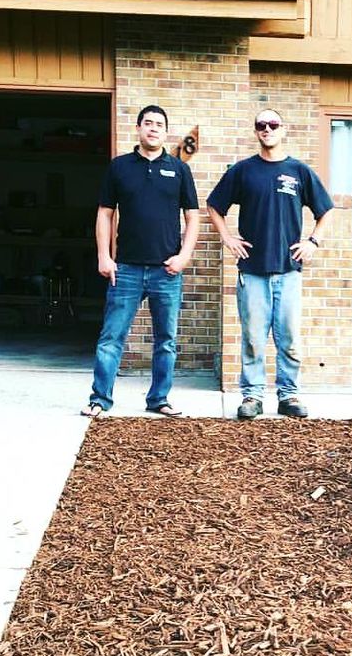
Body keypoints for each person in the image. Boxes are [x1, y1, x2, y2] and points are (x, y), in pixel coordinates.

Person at [207, 109, 333, 420]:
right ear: (256, 131)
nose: (267, 129)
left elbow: (326, 211)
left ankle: (289, 395)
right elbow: (214, 205)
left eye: (273, 124)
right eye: (261, 125)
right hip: (252, 272)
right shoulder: (243, 171)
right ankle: (252, 396)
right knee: (253, 339)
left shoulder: (299, 172)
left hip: (289, 271)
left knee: (289, 339)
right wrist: (228, 238)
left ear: (283, 130)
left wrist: (312, 242)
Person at [82, 104, 200, 418]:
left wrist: (184, 256)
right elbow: (105, 213)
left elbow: (193, 216)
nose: (153, 128)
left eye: (159, 124)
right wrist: (104, 256)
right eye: (148, 123)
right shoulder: (119, 167)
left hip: (167, 271)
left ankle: (159, 399)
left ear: (166, 131)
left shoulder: (179, 170)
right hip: (126, 270)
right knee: (111, 338)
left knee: (166, 341)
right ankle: (100, 399)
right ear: (138, 128)